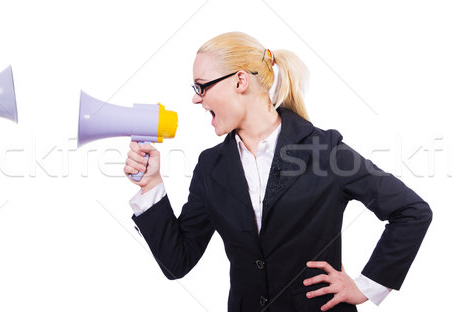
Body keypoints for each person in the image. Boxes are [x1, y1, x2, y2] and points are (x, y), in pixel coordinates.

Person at [124, 32, 431, 312]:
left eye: (201, 86)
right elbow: (177, 262)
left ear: (240, 81)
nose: (195, 98)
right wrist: (150, 185)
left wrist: (367, 286)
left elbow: (412, 211)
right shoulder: (210, 167)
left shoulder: (325, 150)